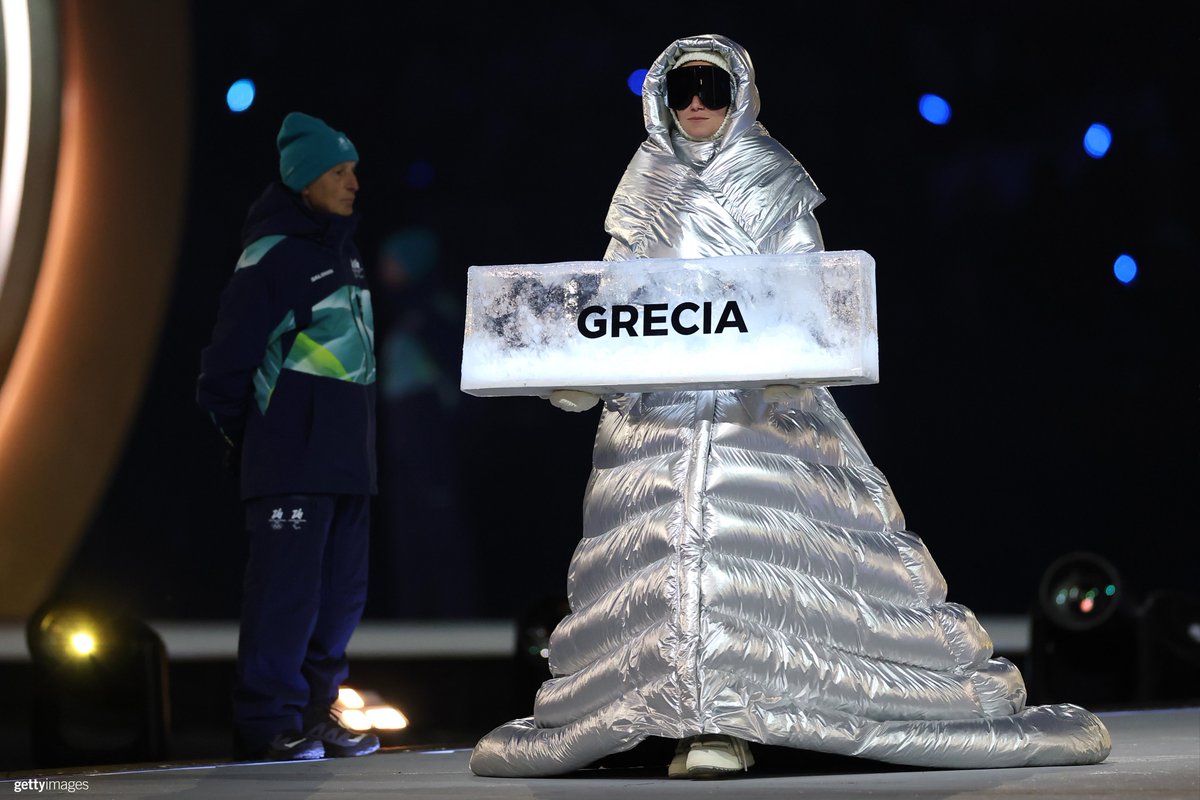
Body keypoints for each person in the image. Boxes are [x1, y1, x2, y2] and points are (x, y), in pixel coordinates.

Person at [470, 35, 1111, 779]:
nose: (698, 104)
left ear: (740, 93)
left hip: (759, 413)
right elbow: (617, 297)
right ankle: (668, 714)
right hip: (658, 417)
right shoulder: (644, 178)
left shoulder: (770, 177)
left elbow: (807, 292)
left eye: (712, 87)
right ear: (662, 101)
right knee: (661, 556)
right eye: (683, 91)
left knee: (745, 556)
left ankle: (737, 719)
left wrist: (775, 364)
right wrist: (579, 365)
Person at [197, 111, 380, 761]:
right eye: (339, 171)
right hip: (290, 465)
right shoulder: (270, 258)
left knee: (340, 601)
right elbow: (223, 371)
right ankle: (265, 720)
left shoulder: (345, 253)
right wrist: (261, 442)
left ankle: (310, 712)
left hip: (347, 466)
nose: (353, 181)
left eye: (354, 169)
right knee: (286, 597)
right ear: (303, 179)